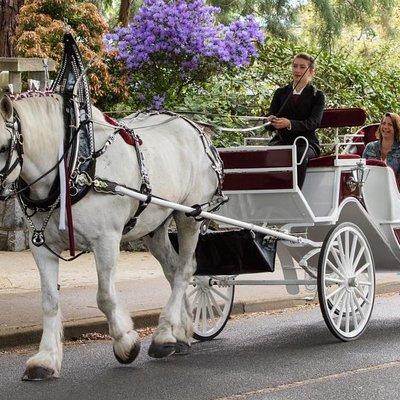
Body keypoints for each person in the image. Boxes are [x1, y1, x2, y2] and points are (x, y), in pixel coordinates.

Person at [266, 53, 325, 188]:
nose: (297, 70)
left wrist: (290, 124)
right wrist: (271, 120)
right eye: (295, 66)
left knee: (297, 155)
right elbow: (269, 126)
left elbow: (314, 123)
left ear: (311, 71)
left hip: (306, 143)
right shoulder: (280, 93)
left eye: (302, 67)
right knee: (269, 154)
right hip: (282, 141)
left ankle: (295, 192)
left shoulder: (317, 95)